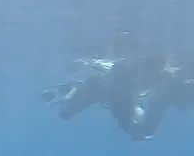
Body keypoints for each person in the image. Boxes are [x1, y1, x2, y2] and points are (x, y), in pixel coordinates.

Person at [42, 55, 194, 141]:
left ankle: (68, 91)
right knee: (68, 111)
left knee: (71, 108)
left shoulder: (161, 76)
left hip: (111, 90)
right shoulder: (127, 80)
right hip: (107, 89)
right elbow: (123, 111)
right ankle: (68, 91)